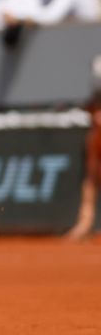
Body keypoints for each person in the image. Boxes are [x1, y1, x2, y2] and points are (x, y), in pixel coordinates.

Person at [66, 86, 101, 241]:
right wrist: (93, 176)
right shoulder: (92, 137)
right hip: (96, 170)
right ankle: (84, 226)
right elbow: (92, 161)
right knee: (89, 188)